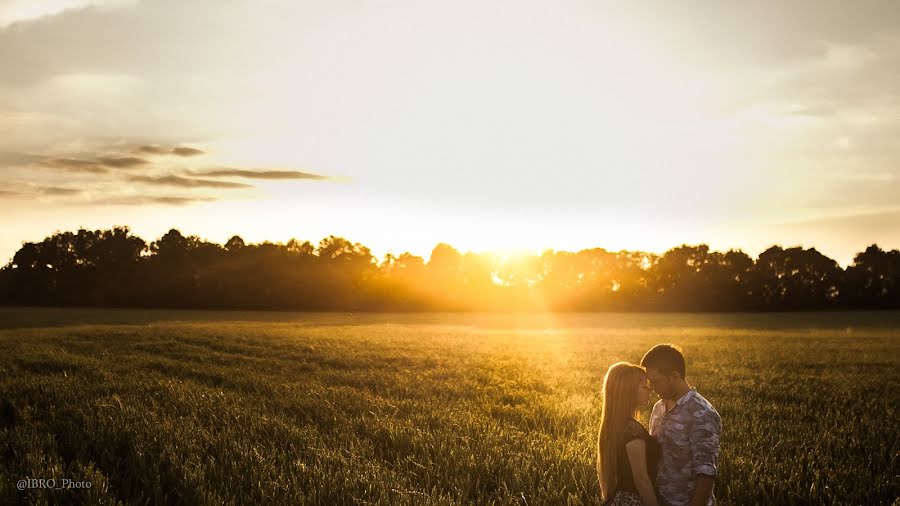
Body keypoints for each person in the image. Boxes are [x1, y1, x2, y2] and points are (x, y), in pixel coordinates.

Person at [641, 344, 721, 506]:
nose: (652, 387)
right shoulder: (658, 407)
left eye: (656, 381)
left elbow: (706, 474)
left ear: (675, 376)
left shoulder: (702, 413)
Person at [597, 362, 661, 506]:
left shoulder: (614, 427)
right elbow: (641, 480)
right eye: (645, 386)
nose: (650, 389)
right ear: (629, 391)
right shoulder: (632, 431)